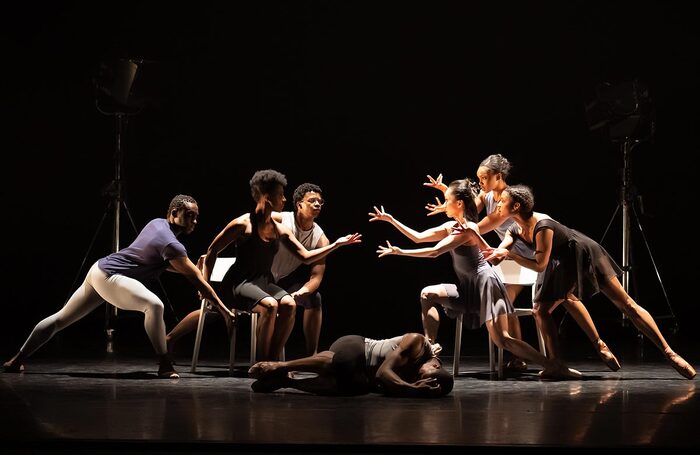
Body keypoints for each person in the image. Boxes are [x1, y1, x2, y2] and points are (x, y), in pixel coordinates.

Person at [423, 154, 620, 373]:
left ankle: (596, 343)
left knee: (566, 298)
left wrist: (455, 209)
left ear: (498, 177)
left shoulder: (507, 201)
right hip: (507, 257)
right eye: (479, 180)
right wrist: (448, 197)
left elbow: (478, 226)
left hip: (532, 258)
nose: (480, 184)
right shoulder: (486, 196)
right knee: (505, 301)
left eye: (484, 179)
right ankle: (521, 358)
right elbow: (468, 211)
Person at [3, 194, 233, 379]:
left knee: (61, 319)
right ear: (174, 214)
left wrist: (191, 269)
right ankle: (164, 362)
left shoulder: (156, 224)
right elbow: (196, 280)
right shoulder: (172, 244)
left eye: (196, 217)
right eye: (189, 216)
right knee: (153, 305)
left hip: (99, 271)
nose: (194, 221)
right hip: (111, 277)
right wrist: (223, 309)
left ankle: (16, 360)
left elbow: (165, 265)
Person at [370, 178, 580, 379]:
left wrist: (400, 252)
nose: (444, 205)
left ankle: (552, 365)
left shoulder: (469, 228)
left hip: (486, 285)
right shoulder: (451, 227)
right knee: (427, 293)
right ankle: (430, 347)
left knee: (502, 339)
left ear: (459, 203)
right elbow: (418, 237)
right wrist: (391, 220)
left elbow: (434, 252)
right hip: (468, 288)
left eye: (447, 201)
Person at [484, 184, 696, 379]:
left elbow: (539, 265)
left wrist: (511, 256)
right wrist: (496, 252)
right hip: (560, 262)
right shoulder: (514, 228)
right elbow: (505, 245)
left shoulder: (543, 226)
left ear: (517, 206)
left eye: (502, 200)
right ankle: (557, 365)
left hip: (582, 253)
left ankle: (669, 353)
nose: (498, 203)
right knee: (541, 310)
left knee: (625, 303)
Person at [166, 170, 361, 361]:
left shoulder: (280, 229)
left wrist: (337, 244)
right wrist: (205, 284)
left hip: (265, 281)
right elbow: (211, 251)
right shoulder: (244, 223)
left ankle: (273, 363)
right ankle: (261, 363)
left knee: (289, 304)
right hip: (239, 282)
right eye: (281, 195)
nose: (285, 200)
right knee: (266, 306)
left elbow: (306, 257)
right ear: (267, 198)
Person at [248, 332, 454, 398]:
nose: (418, 378)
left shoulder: (427, 372)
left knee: (352, 388)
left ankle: (286, 383)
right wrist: (411, 389)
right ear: (434, 367)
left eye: (419, 380)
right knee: (345, 363)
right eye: (421, 376)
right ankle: (281, 366)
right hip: (357, 347)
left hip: (362, 374)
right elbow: (383, 372)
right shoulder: (417, 342)